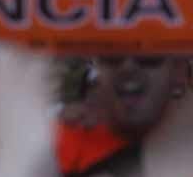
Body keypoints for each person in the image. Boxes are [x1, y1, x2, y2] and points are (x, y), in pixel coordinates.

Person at [56, 55, 188, 176]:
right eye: (113, 58)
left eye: (148, 57)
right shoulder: (63, 140)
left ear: (178, 70)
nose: (128, 68)